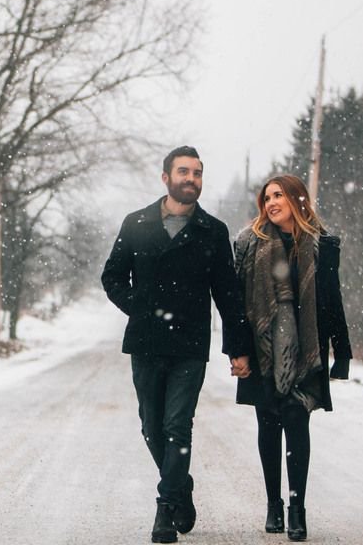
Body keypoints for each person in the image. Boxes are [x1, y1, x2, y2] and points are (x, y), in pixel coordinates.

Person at [101, 146, 253, 544]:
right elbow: (112, 277)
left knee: (176, 426)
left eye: (198, 173)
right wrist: (139, 308)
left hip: (189, 345)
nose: (191, 179)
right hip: (146, 343)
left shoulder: (213, 231)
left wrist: (239, 348)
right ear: (165, 177)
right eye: (184, 171)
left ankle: (165, 508)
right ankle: (181, 486)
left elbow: (228, 295)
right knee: (151, 426)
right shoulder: (136, 223)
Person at [233, 174, 352, 542]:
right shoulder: (249, 243)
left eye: (278, 195)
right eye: (266, 197)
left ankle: (296, 507)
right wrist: (237, 351)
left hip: (306, 349)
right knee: (268, 426)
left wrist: (342, 351)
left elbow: (332, 300)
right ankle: (273, 505)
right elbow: (236, 304)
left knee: (296, 424)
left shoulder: (321, 244)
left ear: (297, 198)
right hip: (261, 348)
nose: (270, 202)